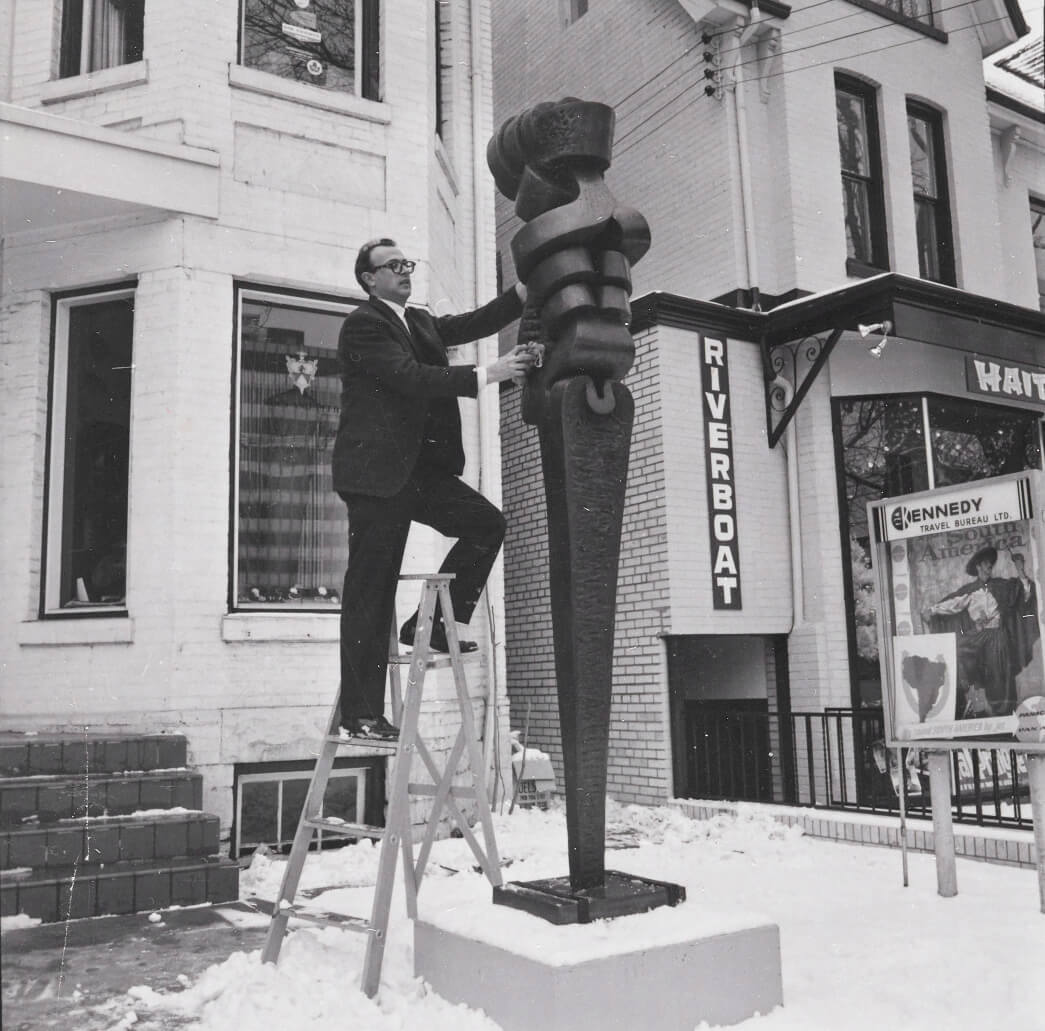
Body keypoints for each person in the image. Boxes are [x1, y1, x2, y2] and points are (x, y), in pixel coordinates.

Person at [332, 238, 535, 739]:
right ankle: (360, 715)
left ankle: (434, 624)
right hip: (378, 478)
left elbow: (467, 325)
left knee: (487, 524)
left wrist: (520, 296)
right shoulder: (364, 325)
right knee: (370, 593)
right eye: (393, 266)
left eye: (407, 264)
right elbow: (410, 377)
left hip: (420, 474)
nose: (405, 271)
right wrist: (492, 373)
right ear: (368, 279)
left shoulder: (417, 321)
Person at [922, 545, 1034, 718]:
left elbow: (1024, 594)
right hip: (978, 636)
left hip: (997, 637)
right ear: (978, 567)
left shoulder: (1002, 586)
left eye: (991, 564)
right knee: (956, 651)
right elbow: (952, 605)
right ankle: (971, 699)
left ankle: (1002, 714)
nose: (990, 567)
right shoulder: (970, 591)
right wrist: (932, 610)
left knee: (999, 675)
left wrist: (1020, 569)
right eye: (986, 564)